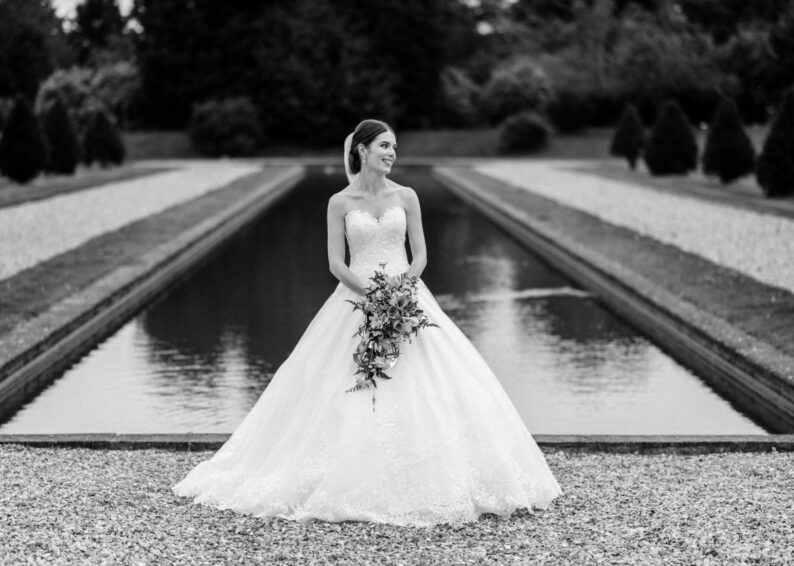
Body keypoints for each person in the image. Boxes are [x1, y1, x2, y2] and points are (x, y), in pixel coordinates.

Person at [172, 119, 562, 527]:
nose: (392, 153)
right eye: (384, 146)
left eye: (394, 147)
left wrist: (400, 292)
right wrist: (373, 295)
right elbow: (335, 263)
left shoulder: (407, 196)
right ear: (362, 150)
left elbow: (420, 256)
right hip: (355, 299)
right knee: (344, 383)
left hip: (407, 297)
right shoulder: (339, 203)